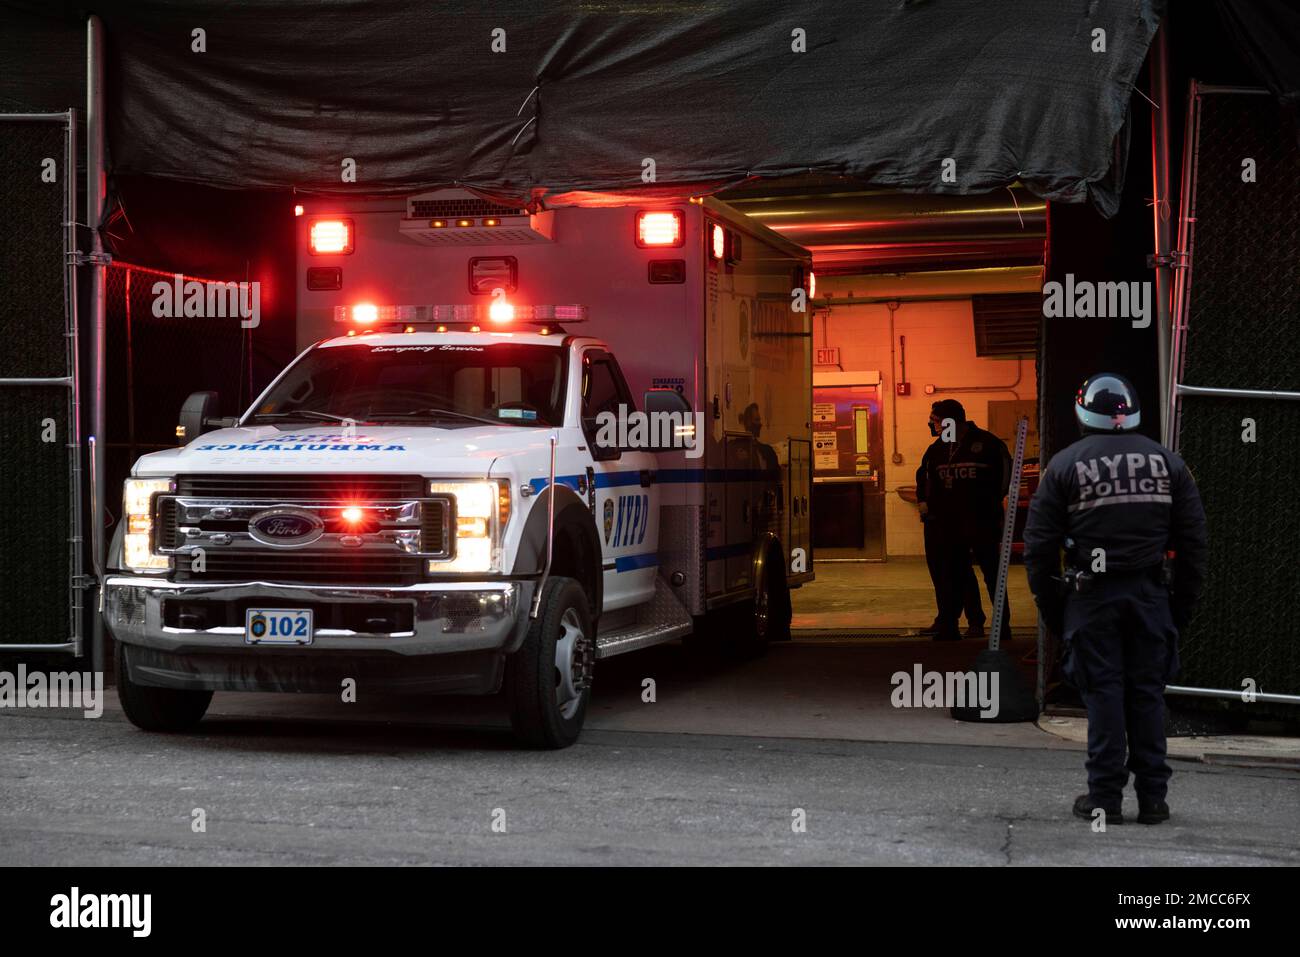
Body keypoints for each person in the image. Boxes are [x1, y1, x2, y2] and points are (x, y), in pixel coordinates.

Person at [1023, 373, 1207, 826]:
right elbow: (1194, 544)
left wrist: (1055, 612)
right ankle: (1154, 799)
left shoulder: (1064, 466)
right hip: (1151, 596)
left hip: (1093, 597)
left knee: (1104, 693)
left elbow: (1039, 549)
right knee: (1147, 693)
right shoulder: (1170, 464)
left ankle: (1104, 797)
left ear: (1083, 412)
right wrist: (1178, 608)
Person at [918, 399, 1012, 642]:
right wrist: (927, 505)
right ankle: (950, 625)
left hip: (983, 521)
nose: (933, 425)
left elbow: (1004, 478)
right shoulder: (937, 449)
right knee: (955, 573)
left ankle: (1002, 627)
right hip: (949, 525)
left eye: (936, 420)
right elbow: (925, 478)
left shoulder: (988, 444)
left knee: (992, 573)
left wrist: (989, 506)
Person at [916, 458, 986, 637]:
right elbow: (923, 478)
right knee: (940, 573)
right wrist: (922, 500)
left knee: (962, 571)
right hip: (935, 520)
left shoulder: (959, 451)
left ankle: (974, 620)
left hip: (953, 521)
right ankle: (947, 619)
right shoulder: (936, 451)